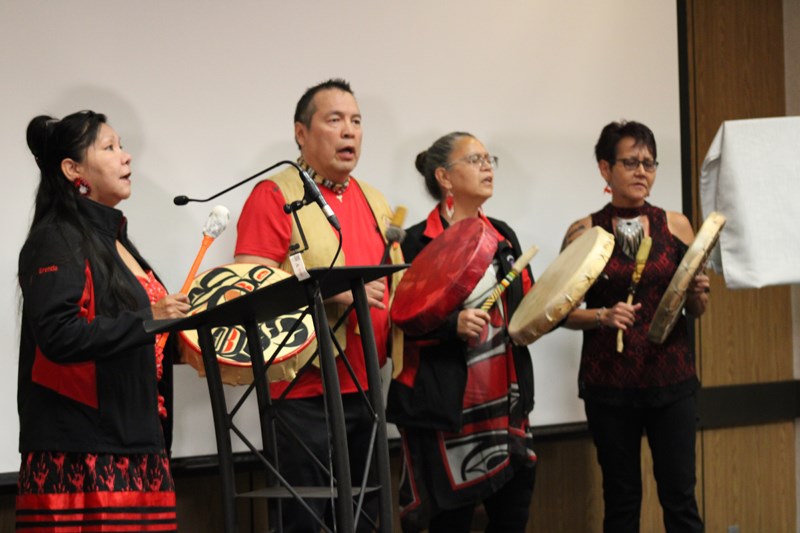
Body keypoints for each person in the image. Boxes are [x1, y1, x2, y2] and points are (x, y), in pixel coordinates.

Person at [234, 79, 402, 532]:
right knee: (309, 522)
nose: (349, 131)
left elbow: (395, 283)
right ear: (301, 133)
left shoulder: (374, 200)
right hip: (301, 392)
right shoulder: (274, 195)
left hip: (367, 385)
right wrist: (332, 290)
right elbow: (247, 285)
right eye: (334, 120)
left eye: (356, 122)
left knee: (368, 519)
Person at [16, 110, 190, 532]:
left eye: (122, 146)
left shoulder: (117, 241)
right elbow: (58, 336)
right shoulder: (57, 237)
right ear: (73, 169)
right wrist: (151, 316)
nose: (126, 158)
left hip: (138, 445)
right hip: (82, 457)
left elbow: (143, 339)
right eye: (110, 148)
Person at [562, 120, 709, 532]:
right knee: (622, 500)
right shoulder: (583, 232)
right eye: (630, 162)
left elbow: (695, 310)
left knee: (680, 497)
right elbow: (557, 312)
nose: (642, 171)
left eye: (649, 162)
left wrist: (698, 293)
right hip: (609, 385)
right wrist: (602, 317)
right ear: (605, 169)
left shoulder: (676, 225)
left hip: (671, 378)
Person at [386, 132, 537, 533]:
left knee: (512, 516)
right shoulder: (414, 242)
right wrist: (451, 325)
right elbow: (394, 322)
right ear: (444, 177)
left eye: (490, 159)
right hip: (443, 408)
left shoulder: (503, 235)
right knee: (447, 523)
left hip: (504, 401)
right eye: (475, 160)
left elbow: (524, 302)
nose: (488, 167)